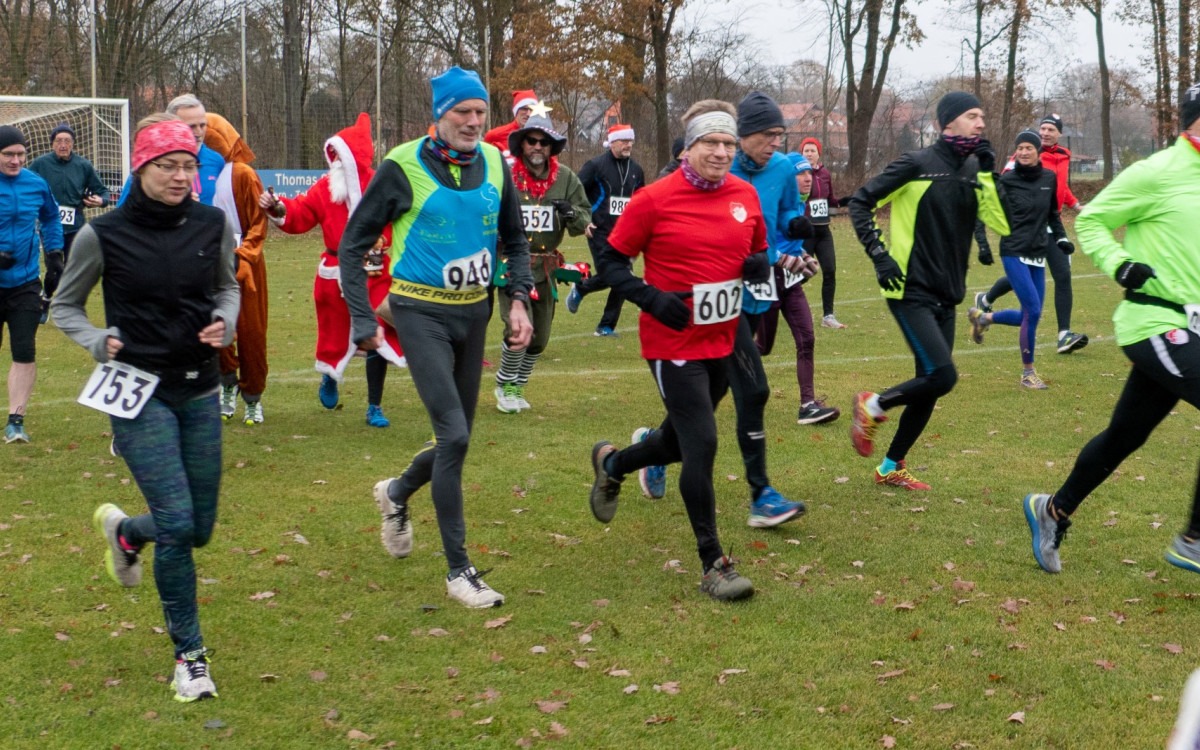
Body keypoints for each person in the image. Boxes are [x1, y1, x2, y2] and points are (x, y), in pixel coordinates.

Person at [52, 119, 239, 702]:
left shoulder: (212, 224)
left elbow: (229, 287)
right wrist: (93, 339)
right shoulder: (102, 234)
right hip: (135, 390)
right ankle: (191, 658)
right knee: (179, 524)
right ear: (140, 170)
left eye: (189, 166)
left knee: (199, 528)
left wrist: (226, 322)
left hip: (201, 388)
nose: (182, 176)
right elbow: (65, 306)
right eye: (168, 167)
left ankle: (127, 533)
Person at [339, 66, 534, 608]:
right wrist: (362, 318)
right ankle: (458, 572)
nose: (473, 122)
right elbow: (353, 246)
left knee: (459, 437)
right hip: (418, 313)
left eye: (479, 113)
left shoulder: (497, 162)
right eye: (461, 113)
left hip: (473, 315)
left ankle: (397, 491)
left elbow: (515, 241)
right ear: (439, 116)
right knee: (454, 436)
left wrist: (517, 299)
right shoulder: (402, 165)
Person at [586, 100, 773, 601]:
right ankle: (714, 562)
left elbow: (753, 250)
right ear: (688, 148)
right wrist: (650, 298)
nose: (720, 152)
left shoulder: (744, 195)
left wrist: (756, 265)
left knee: (676, 444)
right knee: (703, 444)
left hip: (723, 336)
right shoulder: (654, 198)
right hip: (672, 341)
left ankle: (613, 464)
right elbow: (611, 261)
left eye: (728, 143)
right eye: (709, 142)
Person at [1022, 85, 1200, 577]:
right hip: (1155, 321)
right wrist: (1121, 264)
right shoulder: (1158, 171)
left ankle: (1053, 510)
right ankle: (1195, 539)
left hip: (1194, 330)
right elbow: (1095, 219)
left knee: (1126, 435)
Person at [847, 91, 1009, 490]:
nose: (981, 123)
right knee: (943, 375)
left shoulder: (974, 170)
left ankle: (891, 466)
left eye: (982, 116)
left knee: (930, 387)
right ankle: (872, 405)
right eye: (973, 116)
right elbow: (860, 202)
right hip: (908, 288)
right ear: (947, 122)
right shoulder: (916, 163)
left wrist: (989, 174)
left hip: (947, 294)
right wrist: (880, 256)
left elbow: (1002, 223)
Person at [258, 113, 404, 426]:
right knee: (334, 335)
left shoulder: (379, 185)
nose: (336, 163)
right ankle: (330, 375)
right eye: (333, 155)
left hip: (373, 268)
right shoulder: (326, 187)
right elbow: (301, 212)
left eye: (342, 156)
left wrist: (382, 245)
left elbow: (398, 219)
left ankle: (374, 406)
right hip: (335, 270)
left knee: (377, 332)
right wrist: (279, 207)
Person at [718, 90, 819, 523]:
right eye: (769, 135)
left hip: (758, 286)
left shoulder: (780, 169)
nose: (777, 143)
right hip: (717, 290)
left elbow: (780, 221)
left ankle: (644, 455)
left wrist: (798, 229)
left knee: (712, 392)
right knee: (752, 388)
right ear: (744, 135)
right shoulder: (718, 164)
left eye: (781, 134)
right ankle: (761, 494)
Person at [493, 113, 591, 413]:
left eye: (544, 142)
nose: (537, 147)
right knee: (518, 328)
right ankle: (505, 386)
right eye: (532, 141)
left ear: (552, 147)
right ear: (522, 144)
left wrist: (571, 214)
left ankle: (519, 386)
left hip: (547, 267)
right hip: (511, 262)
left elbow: (585, 217)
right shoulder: (506, 175)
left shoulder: (566, 179)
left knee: (540, 338)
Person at [974, 113, 1088, 354]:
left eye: (1051, 130)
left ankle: (1064, 335)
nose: (1046, 133)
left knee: (1062, 275)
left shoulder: (1064, 156)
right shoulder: (1025, 153)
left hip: (1052, 223)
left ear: (1059, 133)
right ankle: (986, 302)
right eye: (1043, 128)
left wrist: (1075, 205)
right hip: (1026, 229)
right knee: (1024, 278)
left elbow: (1060, 188)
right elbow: (1004, 186)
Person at [966, 130, 1071, 389]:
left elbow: (1053, 215)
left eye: (1028, 148)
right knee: (1033, 310)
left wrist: (1061, 239)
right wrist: (982, 245)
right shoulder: (1007, 180)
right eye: (1020, 148)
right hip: (1013, 250)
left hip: (1038, 253)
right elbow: (984, 210)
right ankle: (1027, 373)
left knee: (1030, 315)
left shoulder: (1049, 177)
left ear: (1038, 151)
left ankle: (984, 318)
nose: (1024, 152)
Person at [755, 152, 838, 424]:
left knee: (807, 340)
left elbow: (789, 241)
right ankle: (719, 366)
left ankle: (808, 405)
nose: (806, 178)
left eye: (808, 174)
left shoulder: (799, 204)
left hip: (791, 284)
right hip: (768, 280)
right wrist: (783, 259)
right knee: (762, 347)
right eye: (799, 174)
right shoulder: (770, 200)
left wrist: (803, 255)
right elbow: (760, 240)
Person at [204, 112, 270, 425]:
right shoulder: (190, 170)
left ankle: (253, 397)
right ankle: (227, 383)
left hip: (245, 265)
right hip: (206, 264)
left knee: (252, 332)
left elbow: (259, 221)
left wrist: (244, 256)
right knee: (215, 330)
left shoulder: (242, 174)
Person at [0, 125, 63, 444]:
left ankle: (16, 421)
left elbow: (51, 217)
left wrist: (54, 252)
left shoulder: (36, 184)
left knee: (24, 350)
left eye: (20, 154)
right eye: (8, 154)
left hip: (24, 282)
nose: (15, 160)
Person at [566, 123, 645, 336]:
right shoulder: (596, 165)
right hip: (598, 229)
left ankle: (606, 325)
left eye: (630, 141)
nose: (628, 144)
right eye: (624, 141)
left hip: (625, 232)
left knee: (623, 276)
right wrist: (583, 220)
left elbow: (641, 201)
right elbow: (575, 191)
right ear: (612, 142)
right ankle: (582, 288)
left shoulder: (636, 170)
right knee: (612, 273)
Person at [28, 122, 110, 264]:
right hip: (49, 226)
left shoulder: (84, 165)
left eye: (67, 141)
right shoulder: (40, 164)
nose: (63, 145)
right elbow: (25, 185)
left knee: (74, 268)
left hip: (76, 226)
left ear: (73, 144)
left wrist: (101, 200)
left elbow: (102, 192)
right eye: (59, 141)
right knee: (54, 269)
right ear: (52, 144)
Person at [799, 137, 851, 329]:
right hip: (806, 231)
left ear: (819, 153)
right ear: (802, 153)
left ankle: (828, 316)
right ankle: (780, 299)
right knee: (802, 274)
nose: (810, 154)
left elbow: (830, 200)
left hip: (824, 231)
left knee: (830, 271)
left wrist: (845, 201)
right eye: (806, 151)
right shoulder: (798, 174)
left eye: (813, 150)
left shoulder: (825, 174)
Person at [483, 89, 538, 162]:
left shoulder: (543, 138)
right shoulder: (494, 135)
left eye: (532, 109)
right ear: (516, 111)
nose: (528, 114)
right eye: (524, 109)